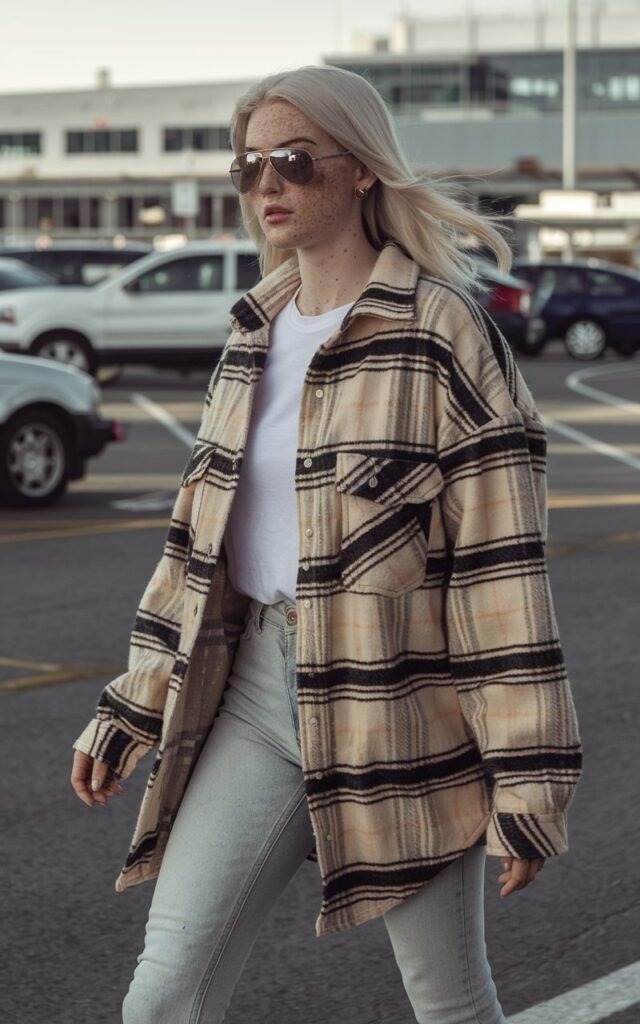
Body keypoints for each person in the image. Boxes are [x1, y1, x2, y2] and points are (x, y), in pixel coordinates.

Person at [70, 65, 582, 1024]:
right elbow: (193, 551)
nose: (269, 184)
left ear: (362, 174)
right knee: (164, 995)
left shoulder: (443, 335)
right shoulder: (250, 336)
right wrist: (131, 705)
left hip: (403, 703)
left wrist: (527, 779)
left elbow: (501, 573)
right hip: (258, 693)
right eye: (252, 165)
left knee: (449, 1002)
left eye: (296, 161)